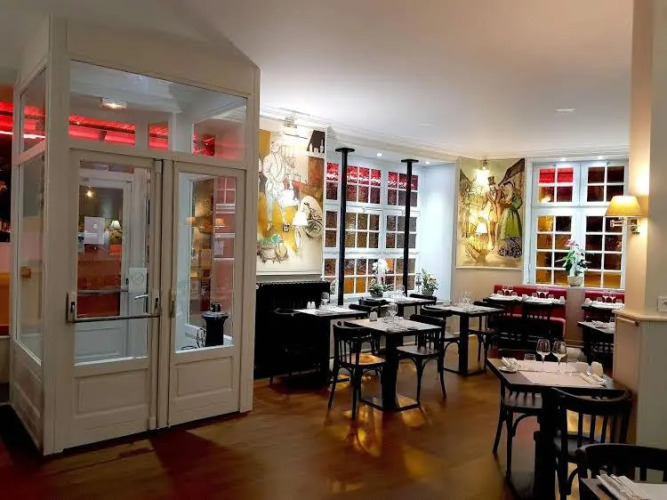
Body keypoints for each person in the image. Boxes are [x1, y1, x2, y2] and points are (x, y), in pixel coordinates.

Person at [260, 135, 290, 233]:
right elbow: (265, 171)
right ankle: (269, 223)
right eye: (276, 144)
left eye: (279, 145)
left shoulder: (281, 158)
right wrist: (273, 180)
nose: (278, 147)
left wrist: (283, 179)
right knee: (270, 205)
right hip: (271, 185)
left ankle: (284, 221)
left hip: (279, 185)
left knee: (282, 203)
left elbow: (284, 170)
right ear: (272, 144)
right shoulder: (268, 158)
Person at [497, 181, 523, 258]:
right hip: (505, 215)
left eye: (508, 187)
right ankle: (506, 249)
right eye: (506, 187)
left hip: (512, 216)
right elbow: (500, 202)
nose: (506, 189)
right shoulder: (505, 196)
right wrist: (502, 203)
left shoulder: (515, 196)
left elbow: (518, 204)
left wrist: (511, 203)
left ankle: (515, 250)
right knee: (504, 233)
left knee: (513, 232)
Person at [481, 176, 502, 249]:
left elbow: (504, 198)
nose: (491, 186)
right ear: (489, 186)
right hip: (492, 211)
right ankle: (491, 242)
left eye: (492, 185)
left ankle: (496, 243)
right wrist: (482, 208)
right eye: (490, 185)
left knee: (497, 228)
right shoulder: (487, 193)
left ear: (494, 185)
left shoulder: (499, 191)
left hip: (498, 211)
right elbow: (484, 201)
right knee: (491, 229)